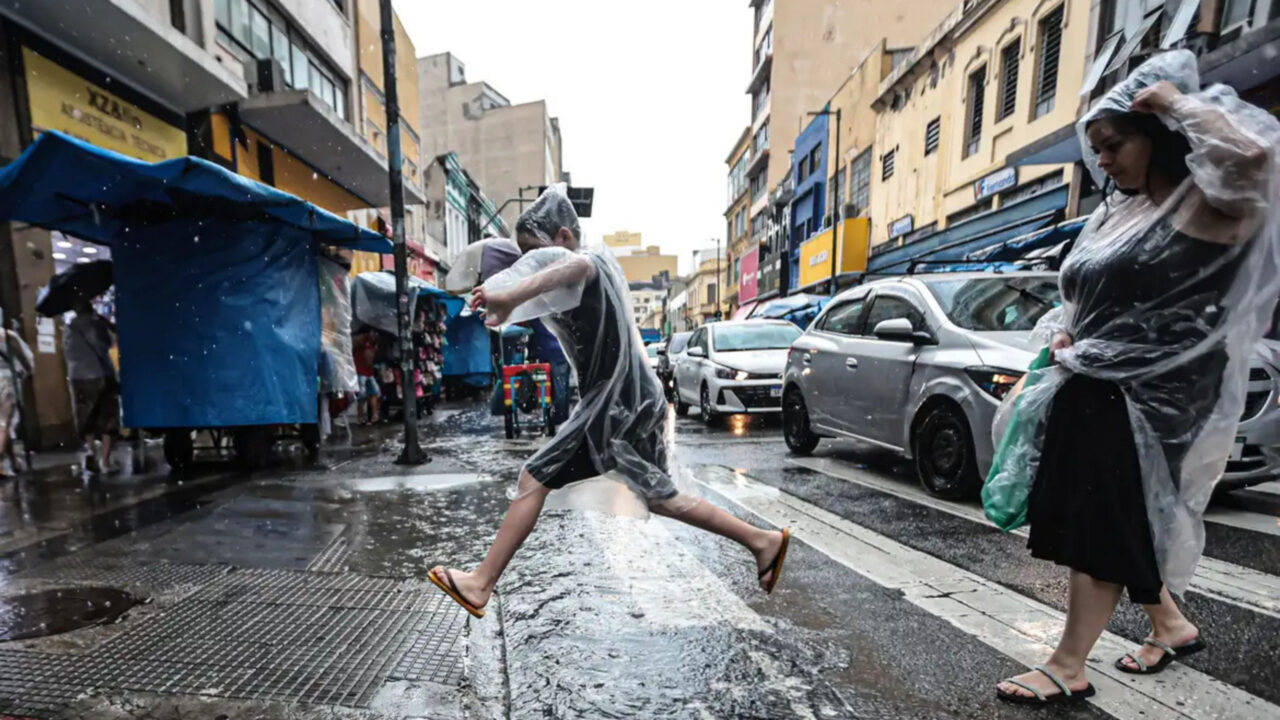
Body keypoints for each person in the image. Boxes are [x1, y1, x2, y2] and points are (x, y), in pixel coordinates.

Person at [994, 52, 1279, 705]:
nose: (1104, 161)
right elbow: (1086, 294)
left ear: (1157, 135)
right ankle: (1170, 624)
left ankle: (1068, 664)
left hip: (1155, 393)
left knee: (1102, 519)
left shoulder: (1208, 203)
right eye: (1096, 151)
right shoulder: (1117, 212)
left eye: (1115, 143)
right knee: (1112, 516)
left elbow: (1253, 159)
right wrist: (1067, 336)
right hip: (1095, 384)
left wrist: (1174, 101)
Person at [429, 186, 790, 618]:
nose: (533, 264)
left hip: (615, 403)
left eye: (537, 254)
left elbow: (573, 266)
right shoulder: (572, 276)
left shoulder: (590, 261)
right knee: (660, 496)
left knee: (533, 477)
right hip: (629, 400)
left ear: (563, 236)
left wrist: (511, 295)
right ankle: (762, 541)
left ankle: (480, 583)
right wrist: (506, 294)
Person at [65, 299, 120, 474]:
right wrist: (106, 324)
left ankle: (89, 451)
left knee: (86, 416)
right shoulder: (95, 325)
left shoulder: (68, 329)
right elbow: (105, 345)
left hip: (77, 377)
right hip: (100, 374)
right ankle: (105, 461)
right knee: (108, 417)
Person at [0, 323, 33, 476]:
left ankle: (13, 461)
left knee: (3, 426)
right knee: (4, 423)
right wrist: (28, 370)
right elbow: (24, 359)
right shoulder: (8, 336)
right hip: (7, 380)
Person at [353, 329, 380, 424]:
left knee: (373, 393)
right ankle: (362, 417)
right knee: (363, 396)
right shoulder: (363, 339)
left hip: (368, 372)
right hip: (361, 372)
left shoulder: (372, 342)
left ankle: (373, 415)